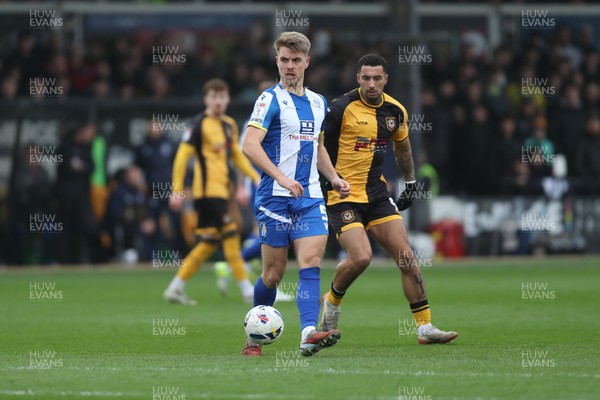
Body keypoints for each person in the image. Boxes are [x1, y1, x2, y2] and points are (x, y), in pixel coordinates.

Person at [320, 54, 457, 345]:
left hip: (377, 194)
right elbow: (316, 146)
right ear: (357, 78)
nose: (371, 84)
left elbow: (404, 149)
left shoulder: (395, 110)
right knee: (361, 257)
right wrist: (331, 179)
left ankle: (425, 328)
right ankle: (331, 302)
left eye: (377, 78)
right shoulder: (339, 108)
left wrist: (409, 183)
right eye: (366, 78)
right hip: (341, 195)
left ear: (386, 79)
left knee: (406, 256)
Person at [241, 31, 350, 357]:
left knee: (311, 261)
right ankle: (253, 337)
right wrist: (281, 178)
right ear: (277, 60)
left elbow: (317, 148)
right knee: (273, 274)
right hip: (275, 197)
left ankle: (307, 333)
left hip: (310, 197)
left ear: (307, 62)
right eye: (284, 60)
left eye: (296, 60)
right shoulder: (268, 99)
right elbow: (249, 145)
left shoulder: (318, 103)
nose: (290, 66)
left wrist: (333, 176)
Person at [163, 78, 260, 305]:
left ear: (227, 99)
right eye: (214, 97)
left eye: (222, 97)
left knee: (208, 242)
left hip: (223, 193)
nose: (218, 101)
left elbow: (236, 156)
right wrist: (176, 190)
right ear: (206, 99)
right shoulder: (199, 124)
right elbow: (181, 157)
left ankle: (175, 287)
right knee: (231, 234)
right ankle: (247, 290)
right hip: (206, 193)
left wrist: (255, 177)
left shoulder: (229, 125)